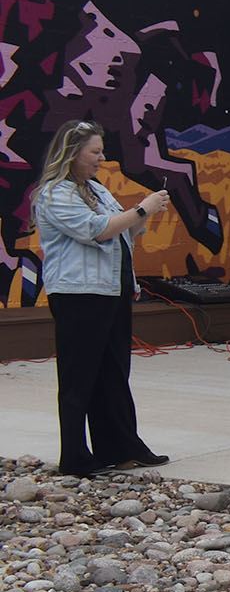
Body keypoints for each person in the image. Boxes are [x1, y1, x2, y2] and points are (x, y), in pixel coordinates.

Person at [31, 120, 174, 479]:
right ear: (73, 152)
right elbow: (95, 230)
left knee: (113, 371)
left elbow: (121, 227)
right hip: (79, 294)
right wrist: (141, 209)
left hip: (111, 289)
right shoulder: (54, 193)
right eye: (94, 151)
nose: (101, 158)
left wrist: (147, 215)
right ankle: (76, 456)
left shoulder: (95, 188)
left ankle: (122, 447)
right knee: (80, 375)